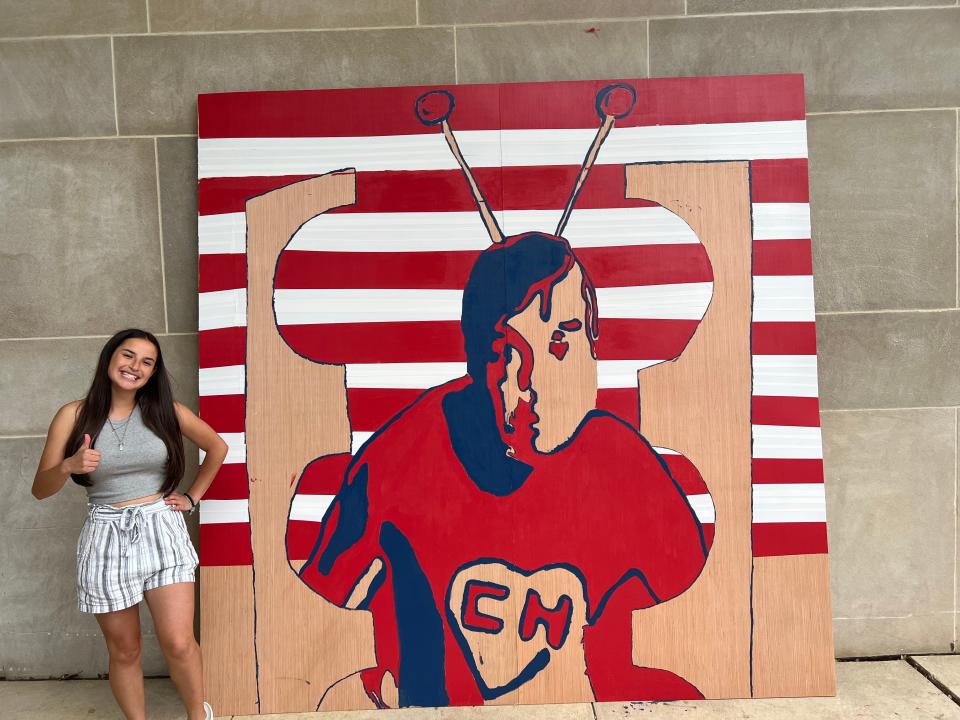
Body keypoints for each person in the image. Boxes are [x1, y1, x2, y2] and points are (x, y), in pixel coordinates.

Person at [298, 233, 708, 707]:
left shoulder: (626, 466)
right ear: (475, 356)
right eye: (504, 350)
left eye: (562, 337)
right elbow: (318, 619)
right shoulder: (397, 461)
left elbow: (700, 614)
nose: (528, 381)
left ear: (593, 343)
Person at [32, 328, 227, 720]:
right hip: (105, 534)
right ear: (110, 358)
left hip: (160, 527)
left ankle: (197, 715)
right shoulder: (73, 415)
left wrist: (191, 497)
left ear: (153, 372)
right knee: (125, 650)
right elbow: (40, 488)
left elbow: (217, 446)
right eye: (127, 355)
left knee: (178, 641)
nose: (134, 366)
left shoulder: (164, 410)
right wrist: (69, 466)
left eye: (147, 362)